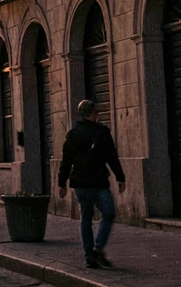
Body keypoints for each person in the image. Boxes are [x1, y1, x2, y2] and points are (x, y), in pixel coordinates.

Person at [59, 99, 126, 270]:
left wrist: (62, 183)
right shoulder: (102, 132)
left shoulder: (73, 134)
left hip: (80, 182)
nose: (98, 114)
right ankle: (96, 250)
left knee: (86, 220)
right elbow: (112, 156)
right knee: (109, 213)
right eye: (97, 111)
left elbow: (66, 161)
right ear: (92, 113)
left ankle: (91, 255)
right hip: (97, 181)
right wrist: (120, 177)